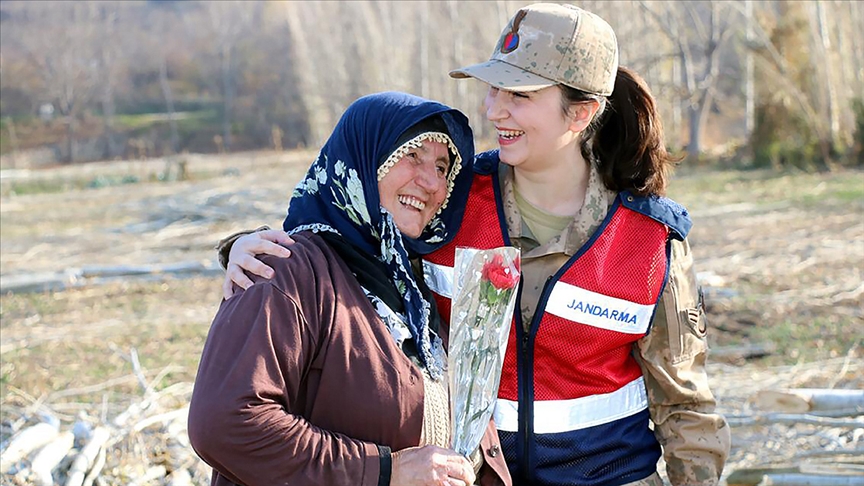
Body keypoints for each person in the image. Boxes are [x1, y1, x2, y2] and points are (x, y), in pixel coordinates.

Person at [220, 4, 732, 485]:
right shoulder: (451, 202)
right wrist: (253, 248)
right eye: (493, 90)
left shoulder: (651, 241)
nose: (494, 111)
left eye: (520, 95)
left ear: (581, 113)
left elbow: (685, 407)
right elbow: (349, 236)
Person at [188, 91, 513, 486]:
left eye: (443, 167)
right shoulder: (285, 270)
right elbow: (226, 423)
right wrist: (382, 472)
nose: (430, 182)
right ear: (363, 158)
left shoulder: (412, 289)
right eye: (411, 155)